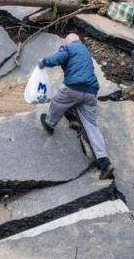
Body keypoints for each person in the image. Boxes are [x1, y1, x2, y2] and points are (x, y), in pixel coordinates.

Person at [38, 33, 113, 178]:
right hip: (91, 92)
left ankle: (50, 123)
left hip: (73, 87)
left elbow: (56, 59)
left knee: (58, 102)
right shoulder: (85, 50)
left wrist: (43, 62)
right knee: (92, 125)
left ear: (68, 41)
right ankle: (104, 161)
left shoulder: (68, 47)